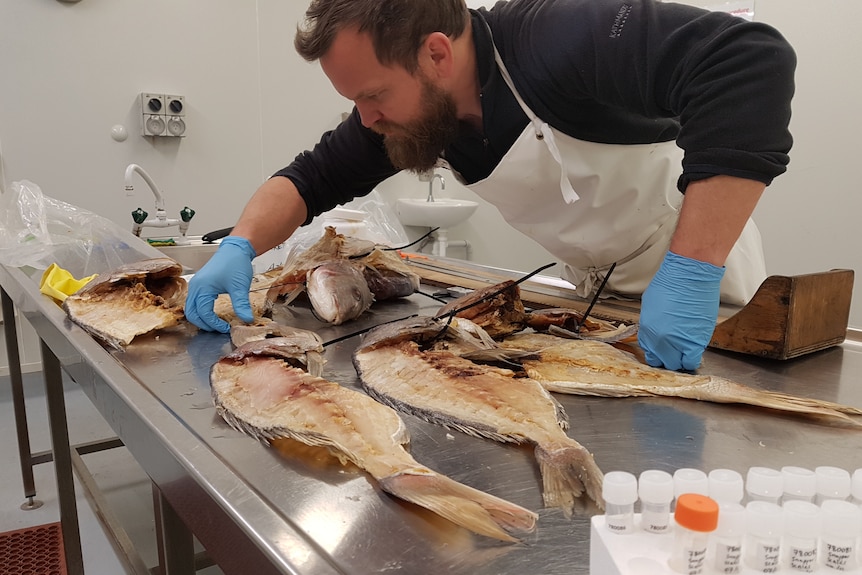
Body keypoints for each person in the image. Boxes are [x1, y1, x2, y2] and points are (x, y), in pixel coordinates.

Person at [185, 0, 795, 372]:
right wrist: (237, 246)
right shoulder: (407, 113)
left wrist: (691, 273)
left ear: (436, 55)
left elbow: (745, 57)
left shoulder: (557, 38)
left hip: (709, 305)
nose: (365, 119)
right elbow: (307, 178)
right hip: (600, 300)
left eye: (373, 96)